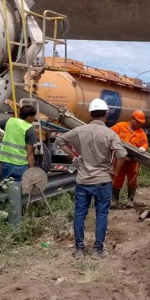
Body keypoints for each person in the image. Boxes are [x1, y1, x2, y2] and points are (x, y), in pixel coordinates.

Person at [56, 98, 128, 260]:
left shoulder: (80, 130)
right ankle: (98, 250)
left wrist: (75, 155)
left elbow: (60, 140)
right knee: (101, 215)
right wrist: (115, 172)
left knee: (80, 215)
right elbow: (121, 155)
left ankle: (79, 250)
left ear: (90, 114)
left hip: (83, 180)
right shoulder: (110, 134)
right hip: (102, 181)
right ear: (106, 115)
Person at [0, 105, 37, 182]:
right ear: (29, 117)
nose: (34, 118)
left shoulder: (10, 121)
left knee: (7, 187)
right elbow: (29, 153)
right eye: (33, 116)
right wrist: (31, 169)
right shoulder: (29, 129)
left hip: (6, 164)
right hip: (20, 166)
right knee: (19, 189)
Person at [110, 110, 149, 209]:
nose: (140, 124)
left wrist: (143, 148)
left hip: (132, 161)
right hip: (120, 160)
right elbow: (110, 133)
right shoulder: (121, 126)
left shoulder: (141, 133)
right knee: (117, 179)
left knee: (132, 180)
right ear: (132, 119)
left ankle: (130, 200)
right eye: (138, 121)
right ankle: (114, 200)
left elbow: (145, 143)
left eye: (141, 122)